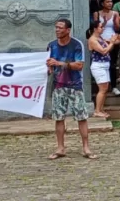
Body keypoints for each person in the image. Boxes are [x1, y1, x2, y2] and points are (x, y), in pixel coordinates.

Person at [46, 19, 96, 160]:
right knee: (59, 117)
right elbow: (49, 66)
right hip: (58, 86)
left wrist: (59, 63)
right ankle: (60, 147)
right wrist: (49, 67)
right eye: (56, 27)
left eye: (60, 28)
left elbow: (79, 65)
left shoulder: (76, 45)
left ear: (68, 30)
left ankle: (86, 147)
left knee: (81, 117)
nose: (57, 30)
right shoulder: (51, 46)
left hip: (75, 85)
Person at [87, 20, 117, 118]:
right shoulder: (92, 40)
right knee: (102, 89)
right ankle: (97, 110)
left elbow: (108, 48)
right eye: (101, 27)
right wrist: (112, 42)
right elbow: (103, 51)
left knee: (105, 88)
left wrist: (111, 43)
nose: (103, 28)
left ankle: (101, 109)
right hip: (98, 66)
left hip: (105, 65)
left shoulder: (100, 37)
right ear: (95, 28)